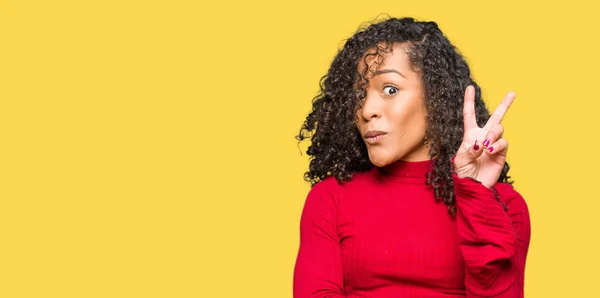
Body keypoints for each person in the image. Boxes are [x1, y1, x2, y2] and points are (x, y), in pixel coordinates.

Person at [293, 17, 531, 298]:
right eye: (359, 94)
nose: (367, 109)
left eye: (390, 89)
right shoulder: (330, 199)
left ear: (436, 95)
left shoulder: (505, 207)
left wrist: (476, 196)